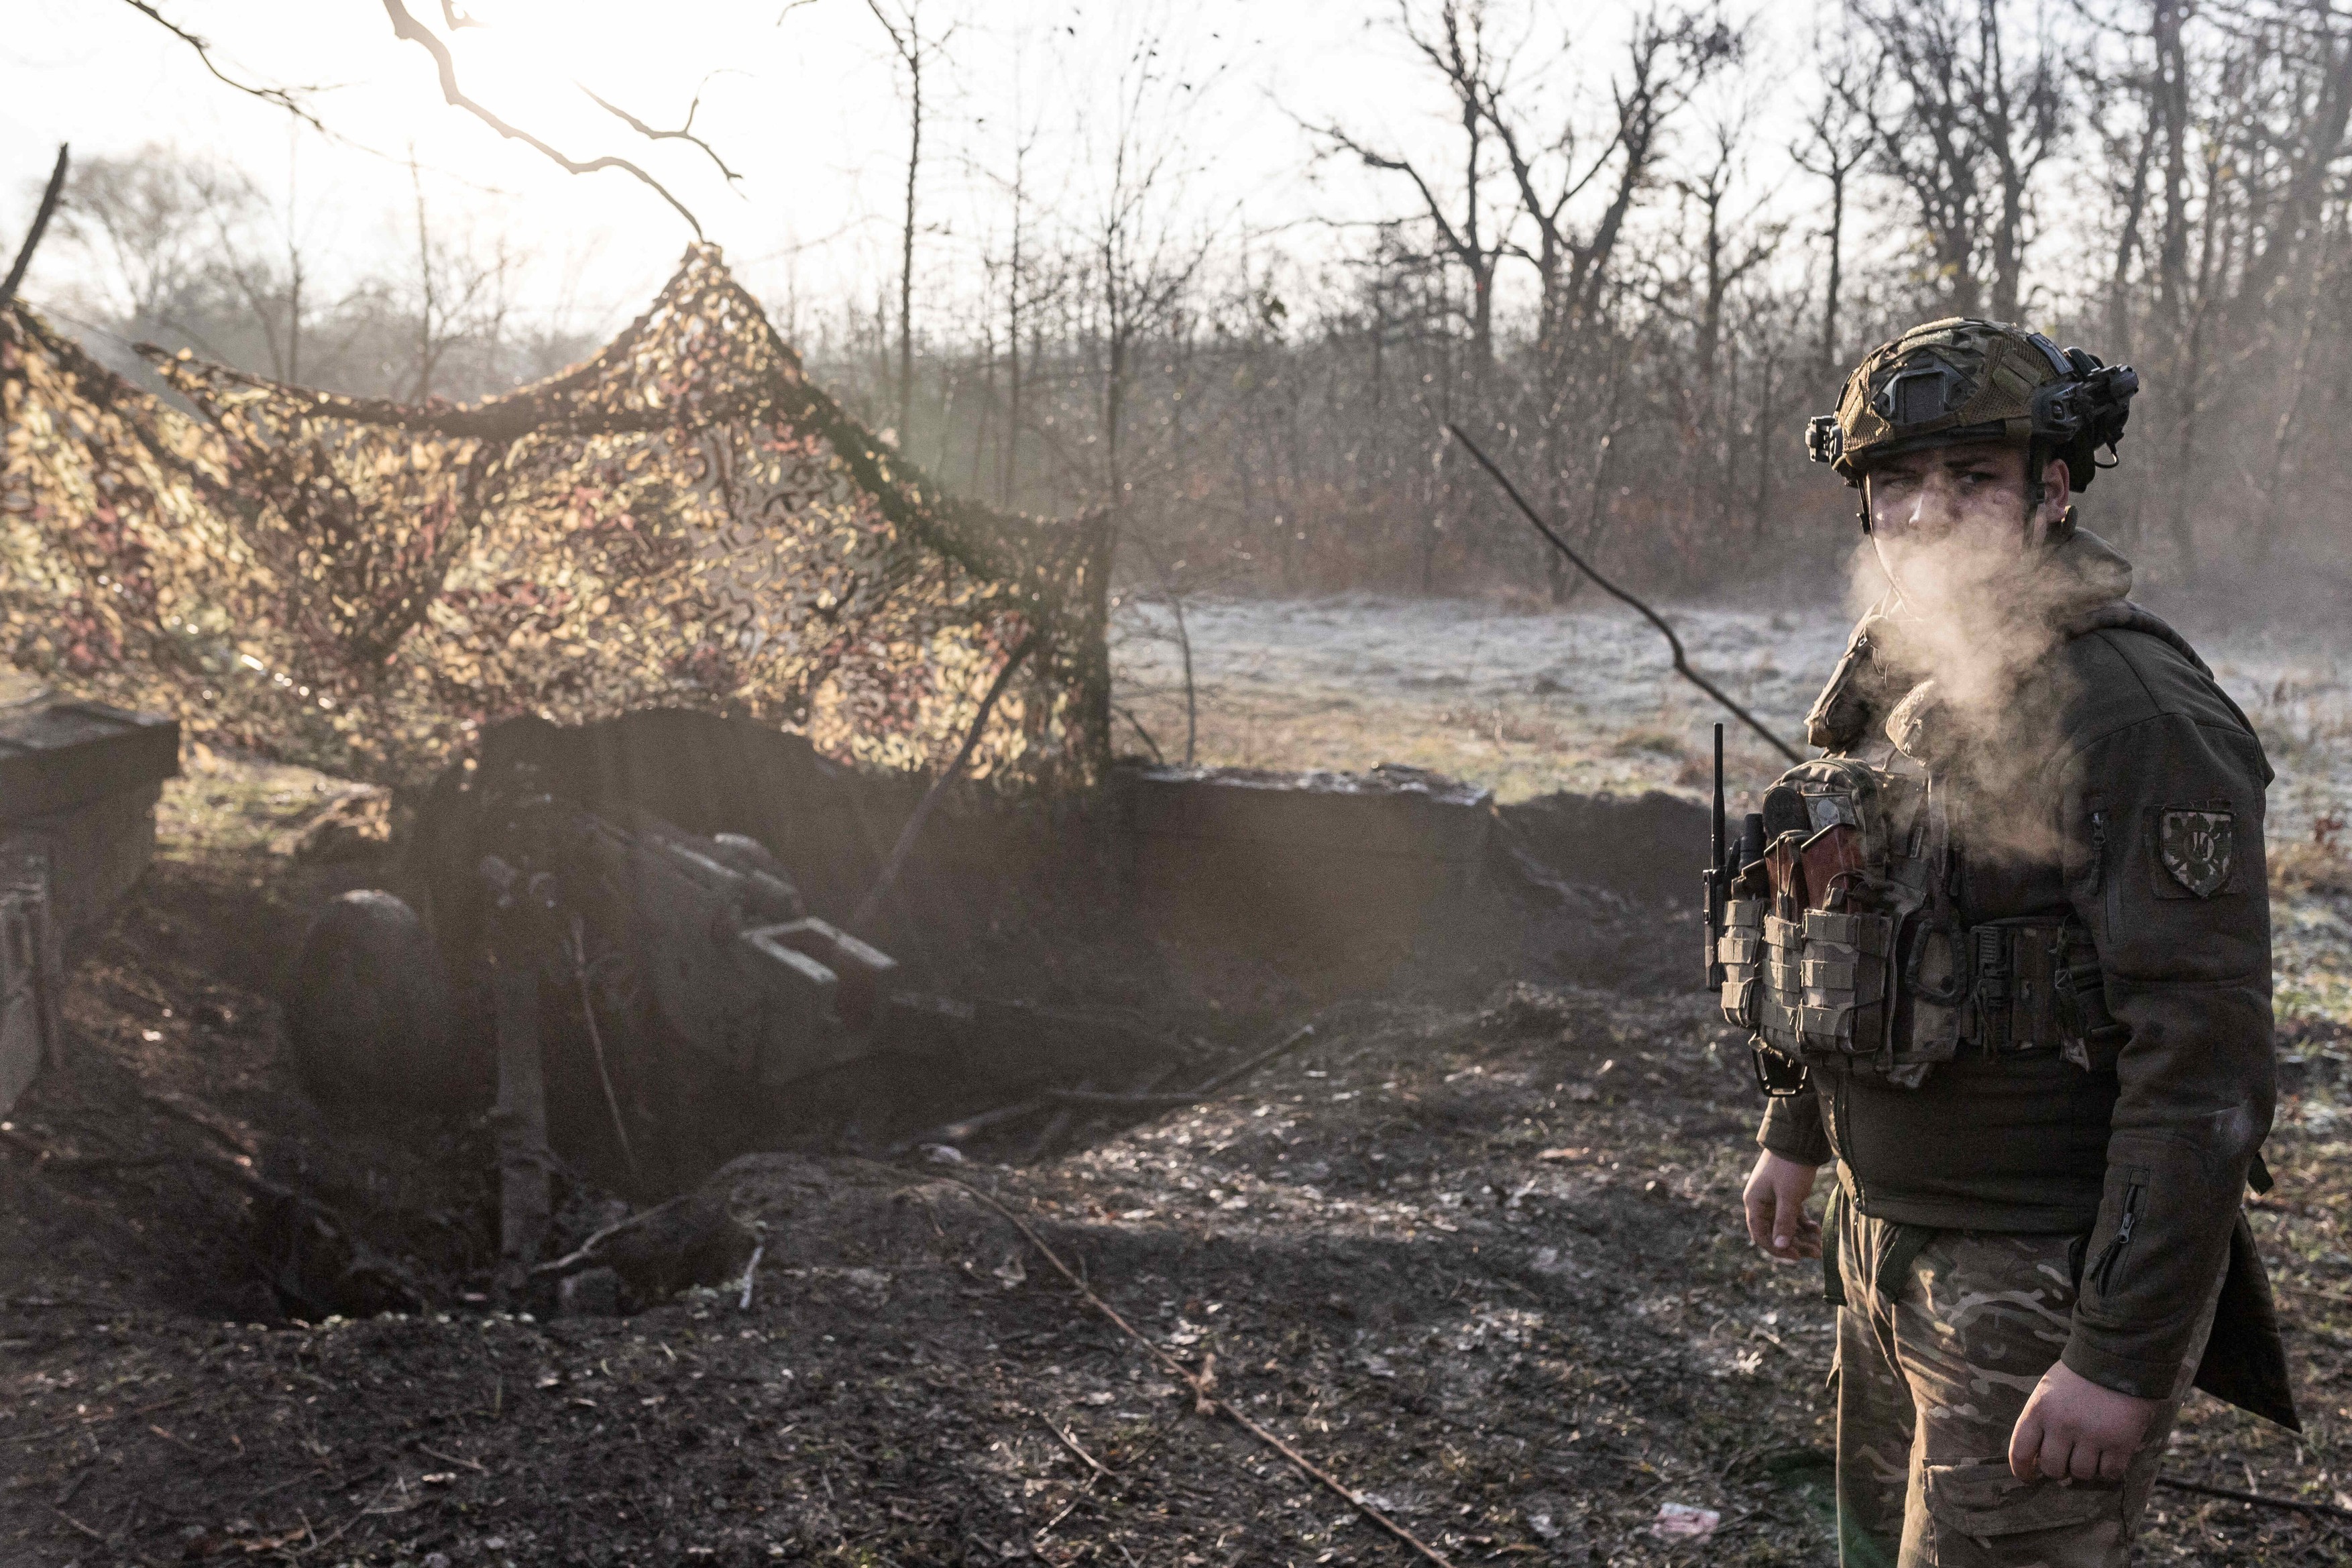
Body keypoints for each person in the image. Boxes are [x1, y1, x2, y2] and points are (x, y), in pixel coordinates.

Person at [1720, 319, 2295, 1567]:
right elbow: (1862, 923)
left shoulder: (2139, 717)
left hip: (2038, 1272)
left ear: (2052, 491)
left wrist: (2116, 1358)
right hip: (1884, 1243)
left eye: (1972, 478)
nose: (1928, 516)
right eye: (1895, 485)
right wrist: (1798, 1132)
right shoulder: (1903, 680)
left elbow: (2205, 1066)